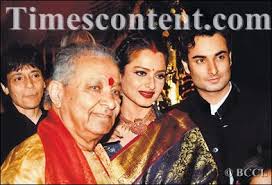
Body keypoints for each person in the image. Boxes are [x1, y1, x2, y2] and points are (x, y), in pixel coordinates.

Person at [102, 32, 218, 184]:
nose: (151, 85)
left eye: (160, 75)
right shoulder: (99, 133)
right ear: (119, 73)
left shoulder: (179, 128)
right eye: (141, 73)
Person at [1, 44, 122, 184]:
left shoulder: (97, 151)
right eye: (95, 88)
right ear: (57, 94)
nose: (111, 103)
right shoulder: (27, 166)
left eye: (115, 92)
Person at [174, 27, 270, 184]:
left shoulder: (265, 110)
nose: (213, 70)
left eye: (219, 57)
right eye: (200, 60)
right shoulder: (174, 121)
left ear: (230, 58)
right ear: (185, 66)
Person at [0, 45, 47, 164]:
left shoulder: (61, 123)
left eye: (35, 75)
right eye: (18, 78)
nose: (30, 84)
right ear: (5, 87)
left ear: (44, 82)